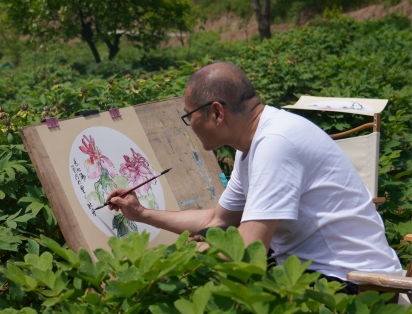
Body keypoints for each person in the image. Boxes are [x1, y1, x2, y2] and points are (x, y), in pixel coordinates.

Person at [106, 61, 402, 294]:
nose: (189, 125)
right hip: (317, 277)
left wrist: (165, 261)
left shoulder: (276, 143)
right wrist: (142, 213)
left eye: (189, 116)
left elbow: (248, 248)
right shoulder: (251, 145)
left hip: (353, 283)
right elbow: (216, 220)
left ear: (217, 113)